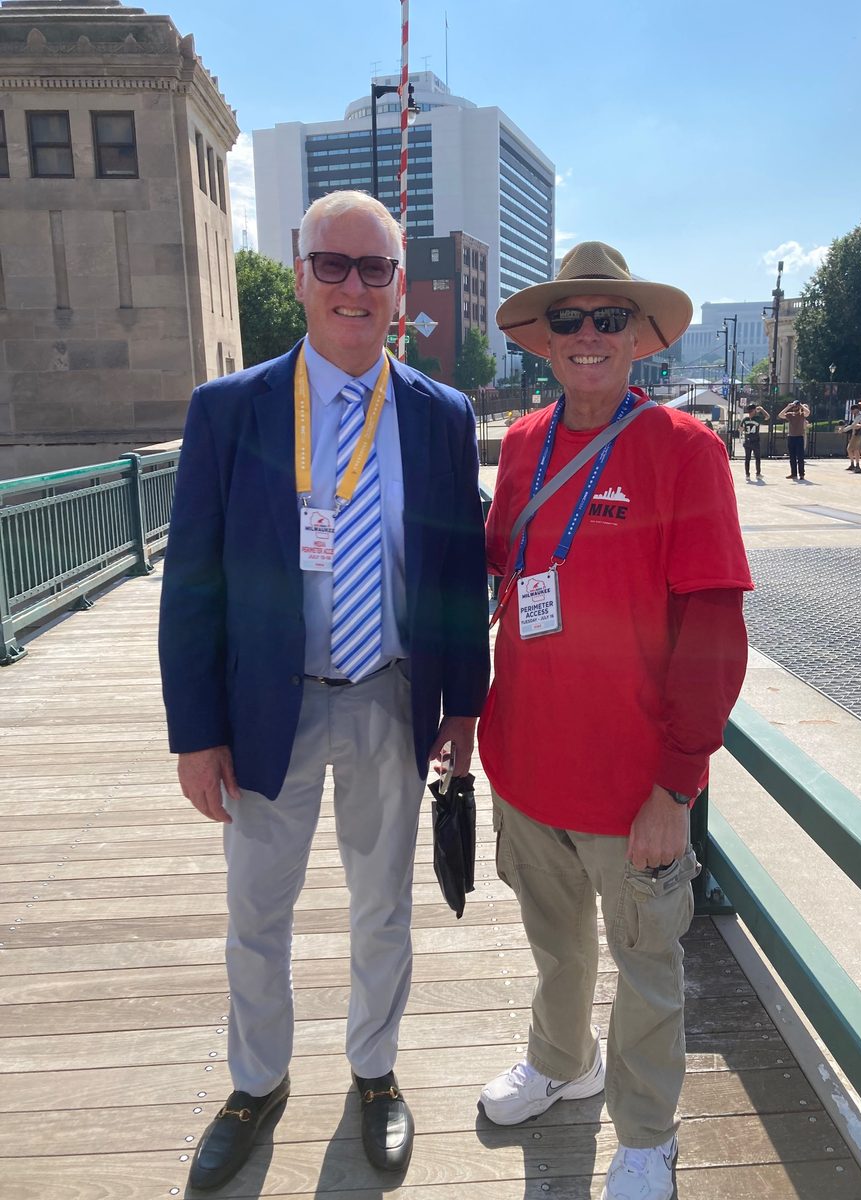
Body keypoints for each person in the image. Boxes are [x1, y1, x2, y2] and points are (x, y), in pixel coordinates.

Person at [158, 190, 490, 1190]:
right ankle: (257, 1083)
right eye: (332, 265)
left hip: (389, 696)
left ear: (398, 294)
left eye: (374, 269)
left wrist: (463, 708)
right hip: (269, 705)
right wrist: (194, 731)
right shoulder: (231, 409)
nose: (353, 285)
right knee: (257, 911)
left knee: (381, 906)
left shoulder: (439, 417)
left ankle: (376, 1075)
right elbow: (193, 583)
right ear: (299, 273)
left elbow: (457, 574)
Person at [476, 241, 753, 1200]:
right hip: (523, 762)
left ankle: (647, 1134)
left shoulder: (687, 450)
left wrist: (676, 785)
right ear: (544, 340)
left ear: (640, 337)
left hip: (636, 783)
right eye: (568, 320)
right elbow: (502, 578)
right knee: (556, 944)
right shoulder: (520, 445)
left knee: (648, 968)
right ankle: (561, 1062)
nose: (588, 337)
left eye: (607, 320)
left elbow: (716, 628)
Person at [777, 399, 811, 480]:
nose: (795, 408)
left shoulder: (802, 414)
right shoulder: (790, 414)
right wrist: (788, 407)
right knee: (792, 457)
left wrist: (801, 405)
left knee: (800, 457)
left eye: (796, 407)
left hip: (799, 437)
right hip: (791, 437)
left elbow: (808, 413)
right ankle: (794, 473)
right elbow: (780, 415)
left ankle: (801, 474)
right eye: (794, 407)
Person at [739, 402, 770, 479]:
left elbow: (740, 429)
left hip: (747, 440)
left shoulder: (745, 419)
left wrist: (744, 431)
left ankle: (747, 475)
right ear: (753, 410)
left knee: (747, 458)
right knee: (757, 458)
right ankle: (758, 474)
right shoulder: (757, 418)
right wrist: (762, 409)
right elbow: (767, 416)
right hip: (755, 440)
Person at [841, 403, 861, 471]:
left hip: (859, 434)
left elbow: (853, 425)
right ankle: (853, 464)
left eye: (852, 410)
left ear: (856, 409)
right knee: (850, 449)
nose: (851, 412)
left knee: (855, 449)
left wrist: (844, 430)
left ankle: (857, 465)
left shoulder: (860, 415)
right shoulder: (855, 415)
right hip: (855, 434)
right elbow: (851, 424)